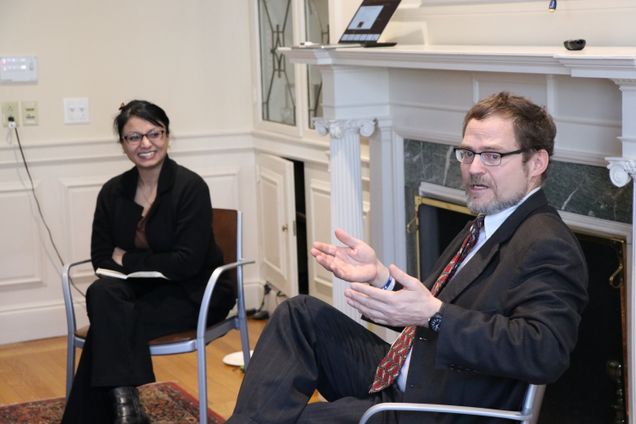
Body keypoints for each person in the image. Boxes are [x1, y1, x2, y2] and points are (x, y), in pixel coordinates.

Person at [227, 92, 588, 423]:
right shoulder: (487, 222)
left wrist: (434, 314)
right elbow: (427, 310)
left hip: (439, 407)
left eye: (493, 155)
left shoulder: (547, 243)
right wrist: (381, 280)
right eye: (467, 153)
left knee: (294, 420)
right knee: (299, 314)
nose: (474, 168)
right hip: (411, 370)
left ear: (537, 161)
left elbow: (545, 352)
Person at [62, 100, 235, 424]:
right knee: (102, 294)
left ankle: (124, 410)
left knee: (107, 327)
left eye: (153, 133)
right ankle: (127, 406)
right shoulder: (113, 192)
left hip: (194, 293)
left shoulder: (190, 187)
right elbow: (101, 257)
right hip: (140, 292)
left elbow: (186, 263)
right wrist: (150, 265)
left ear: (167, 136)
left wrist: (126, 257)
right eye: (134, 137)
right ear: (123, 145)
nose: (145, 144)